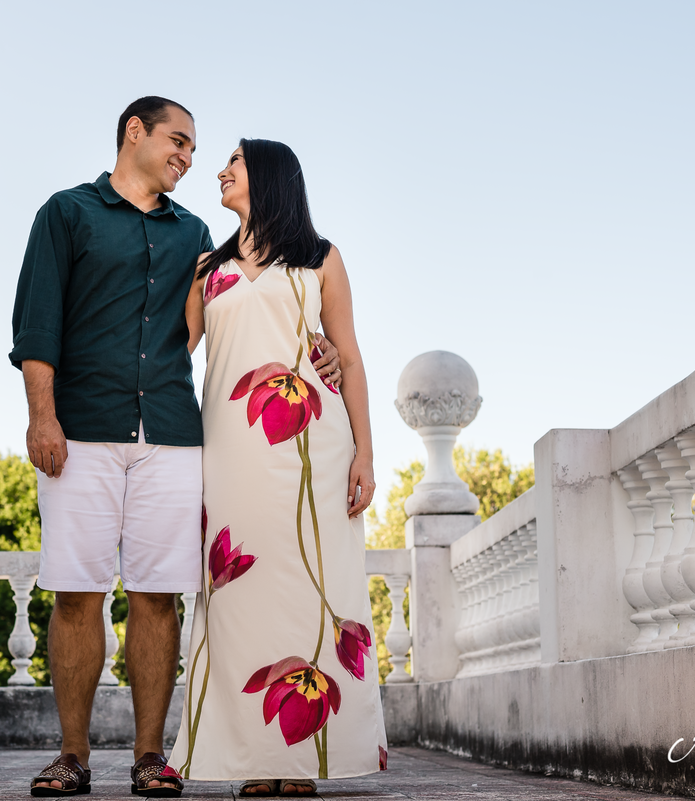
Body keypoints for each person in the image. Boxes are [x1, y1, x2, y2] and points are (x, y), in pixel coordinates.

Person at [10, 99, 341, 798]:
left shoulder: (197, 233)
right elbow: (36, 324)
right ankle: (72, 754)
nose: (189, 158)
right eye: (179, 141)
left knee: (159, 595)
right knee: (77, 593)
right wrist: (43, 416)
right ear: (136, 132)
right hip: (81, 430)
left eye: (196, 149)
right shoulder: (65, 214)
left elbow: (233, 321)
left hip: (171, 431)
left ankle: (150, 755)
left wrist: (322, 355)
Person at [168, 139, 387, 795]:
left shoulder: (322, 258)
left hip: (312, 450)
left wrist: (366, 453)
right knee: (237, 597)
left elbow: (347, 358)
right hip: (228, 450)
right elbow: (175, 353)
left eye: (232, 161)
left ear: (264, 174)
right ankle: (251, 759)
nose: (219, 171)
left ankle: (302, 763)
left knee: (308, 587)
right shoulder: (207, 265)